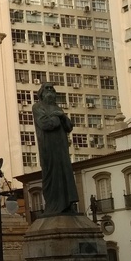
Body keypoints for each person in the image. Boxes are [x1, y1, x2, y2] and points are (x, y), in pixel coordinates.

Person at [32, 82, 79, 215]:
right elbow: (45, 124)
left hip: (62, 148)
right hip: (48, 148)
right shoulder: (37, 107)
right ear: (41, 93)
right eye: (47, 89)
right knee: (51, 175)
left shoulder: (58, 108)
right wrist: (58, 118)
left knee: (65, 174)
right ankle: (53, 206)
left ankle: (68, 205)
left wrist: (62, 116)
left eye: (52, 89)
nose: (50, 91)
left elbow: (69, 126)